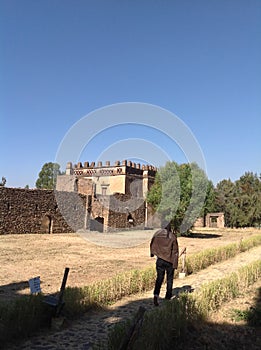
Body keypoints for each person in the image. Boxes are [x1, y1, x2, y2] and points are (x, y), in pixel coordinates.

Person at [150, 221, 179, 306]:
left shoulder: (157, 234)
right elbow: (175, 251)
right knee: (169, 279)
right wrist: (175, 264)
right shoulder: (172, 236)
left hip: (160, 260)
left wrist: (152, 254)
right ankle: (168, 296)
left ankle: (156, 295)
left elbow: (152, 244)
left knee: (159, 279)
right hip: (169, 261)